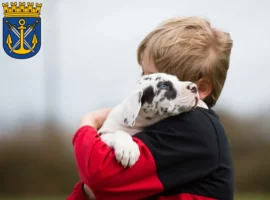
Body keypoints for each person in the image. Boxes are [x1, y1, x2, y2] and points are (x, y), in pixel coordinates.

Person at [67, 16, 234, 200]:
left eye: (152, 77)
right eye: (143, 75)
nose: (141, 85)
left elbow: (100, 177)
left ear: (200, 88)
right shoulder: (170, 124)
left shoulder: (193, 128)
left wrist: (86, 127)